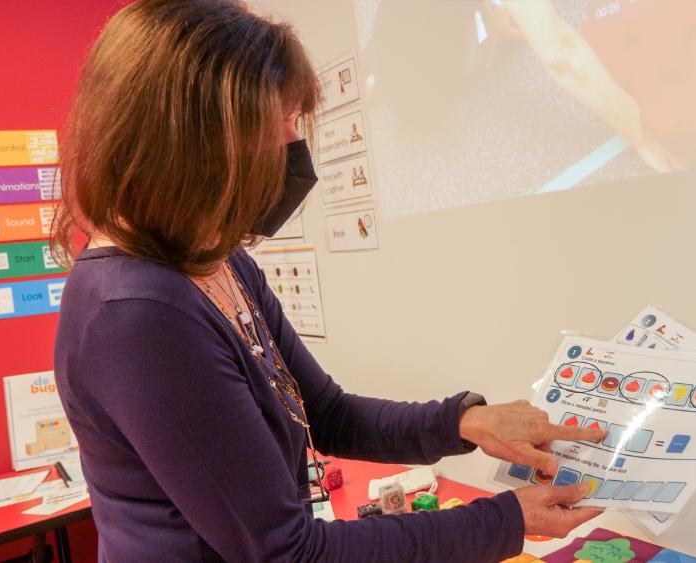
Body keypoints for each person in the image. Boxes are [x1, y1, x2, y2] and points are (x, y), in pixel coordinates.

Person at [51, 1, 605, 561]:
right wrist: (504, 520)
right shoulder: (139, 317)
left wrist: (462, 421)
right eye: (283, 124)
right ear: (199, 144)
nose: (297, 147)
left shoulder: (214, 262)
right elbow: (289, 553)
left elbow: (326, 411)